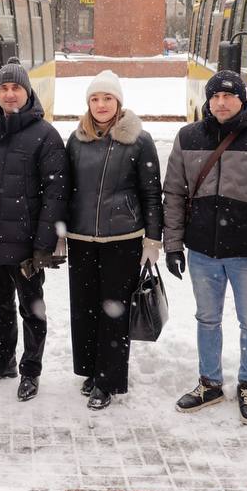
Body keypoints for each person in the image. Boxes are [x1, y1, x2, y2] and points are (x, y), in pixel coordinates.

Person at [162, 71, 247, 425]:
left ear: (242, 99)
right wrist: (173, 246)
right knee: (207, 319)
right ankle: (210, 383)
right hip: (202, 252)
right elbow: (173, 194)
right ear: (208, 101)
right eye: (215, 97)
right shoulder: (188, 137)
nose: (221, 103)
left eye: (229, 96)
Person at [0, 57, 68, 402]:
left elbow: (55, 195)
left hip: (27, 246)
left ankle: (30, 370)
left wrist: (43, 245)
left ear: (27, 92)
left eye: (16, 88)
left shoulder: (45, 136)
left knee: (32, 310)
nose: (10, 94)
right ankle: (4, 360)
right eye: (4, 88)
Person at [64, 70, 163, 410]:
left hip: (123, 238)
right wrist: (60, 231)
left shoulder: (139, 140)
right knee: (84, 308)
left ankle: (108, 381)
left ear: (118, 102)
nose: (101, 104)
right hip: (80, 237)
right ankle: (91, 370)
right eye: (95, 99)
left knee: (114, 310)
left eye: (107, 98)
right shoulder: (77, 139)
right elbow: (65, 189)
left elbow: (151, 194)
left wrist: (153, 239)